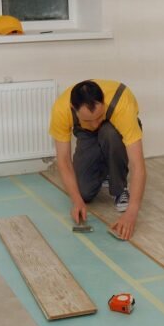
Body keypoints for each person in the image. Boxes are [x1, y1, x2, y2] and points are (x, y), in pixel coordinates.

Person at [49, 79, 146, 240]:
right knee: (84, 192)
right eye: (88, 120)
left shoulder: (122, 103)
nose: (94, 124)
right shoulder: (61, 109)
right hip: (85, 134)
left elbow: (138, 165)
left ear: (104, 103)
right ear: (73, 108)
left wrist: (132, 213)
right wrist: (77, 201)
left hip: (112, 129)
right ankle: (106, 170)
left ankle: (119, 188)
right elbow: (64, 160)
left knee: (110, 134)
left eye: (98, 117)